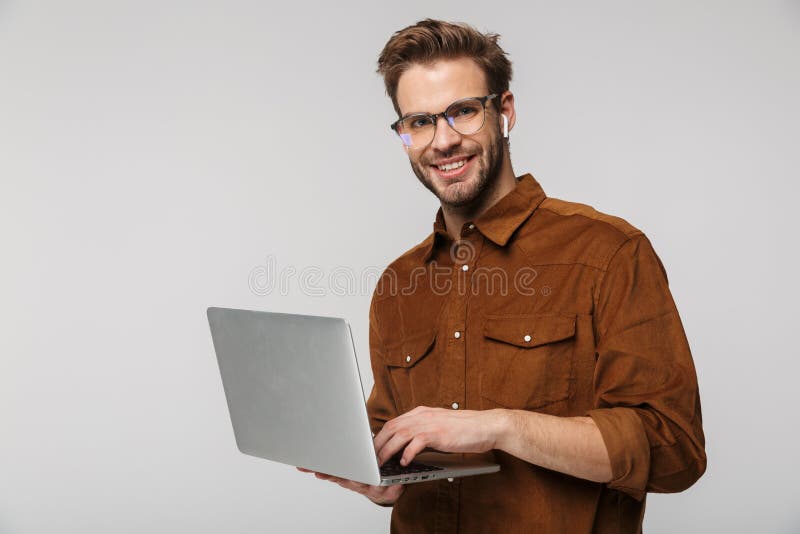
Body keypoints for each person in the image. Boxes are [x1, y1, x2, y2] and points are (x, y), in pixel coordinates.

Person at [300, 19, 706, 533]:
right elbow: (394, 441)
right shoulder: (397, 284)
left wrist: (500, 426)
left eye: (463, 112)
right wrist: (383, 478)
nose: (442, 141)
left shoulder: (608, 253)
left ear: (505, 112)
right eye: (419, 121)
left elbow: (673, 450)